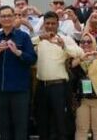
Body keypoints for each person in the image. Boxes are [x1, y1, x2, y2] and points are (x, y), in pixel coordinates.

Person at [33, 11, 82, 140]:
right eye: (47, 23)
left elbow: (80, 53)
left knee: (61, 123)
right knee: (42, 123)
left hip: (59, 87)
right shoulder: (39, 40)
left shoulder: (64, 38)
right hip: (41, 86)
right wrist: (40, 38)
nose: (50, 26)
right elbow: (27, 45)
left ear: (57, 24)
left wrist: (64, 46)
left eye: (53, 23)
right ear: (43, 24)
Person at [0, 5, 37, 140]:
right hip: (0, 90)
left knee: (21, 127)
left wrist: (18, 52)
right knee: (4, 127)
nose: (6, 19)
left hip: (20, 89)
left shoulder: (23, 37)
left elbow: (32, 59)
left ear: (14, 17)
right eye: (3, 16)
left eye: (9, 16)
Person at [71, 32, 97, 140]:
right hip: (81, 100)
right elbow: (71, 66)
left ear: (93, 43)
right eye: (83, 42)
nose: (86, 44)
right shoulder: (76, 58)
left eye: (89, 41)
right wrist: (82, 58)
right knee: (81, 130)